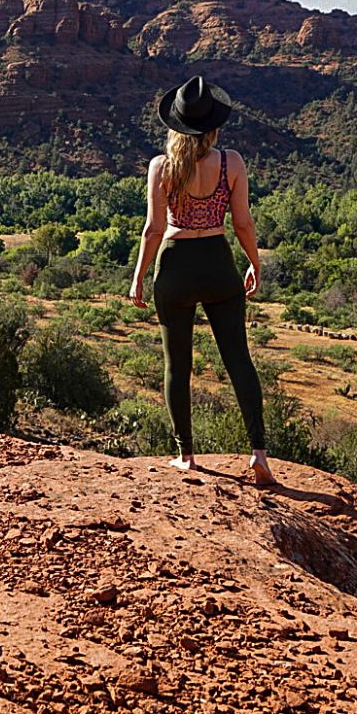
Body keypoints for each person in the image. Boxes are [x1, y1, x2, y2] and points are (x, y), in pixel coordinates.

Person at [129, 75, 276, 486]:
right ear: (213, 126)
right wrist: (255, 263)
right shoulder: (231, 162)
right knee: (239, 360)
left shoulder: (161, 167)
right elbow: (243, 223)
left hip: (174, 266)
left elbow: (153, 229)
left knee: (177, 364)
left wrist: (138, 278)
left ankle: (186, 457)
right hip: (217, 262)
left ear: (175, 125)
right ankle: (259, 456)